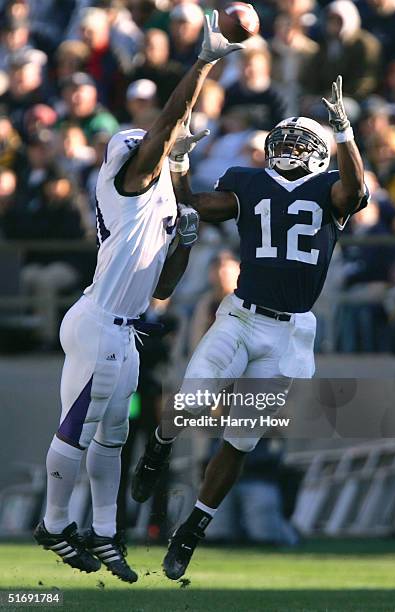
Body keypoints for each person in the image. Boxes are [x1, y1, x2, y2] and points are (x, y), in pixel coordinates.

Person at [33, 11, 243, 583]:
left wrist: (185, 243)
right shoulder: (126, 186)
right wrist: (203, 62)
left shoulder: (160, 202)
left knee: (114, 437)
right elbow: (168, 123)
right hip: (98, 319)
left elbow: (167, 288)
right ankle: (53, 524)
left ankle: (104, 533)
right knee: (78, 429)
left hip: (125, 327)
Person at [132, 76, 369, 579]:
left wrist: (344, 132)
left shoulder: (331, 188)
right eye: (280, 141)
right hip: (240, 316)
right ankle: (161, 442)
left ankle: (192, 528)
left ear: (320, 154)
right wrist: (178, 160)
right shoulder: (247, 179)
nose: (285, 149)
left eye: (298, 144)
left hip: (288, 335)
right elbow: (189, 204)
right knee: (195, 397)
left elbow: (358, 189)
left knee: (241, 439)